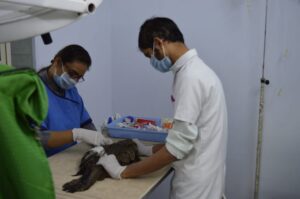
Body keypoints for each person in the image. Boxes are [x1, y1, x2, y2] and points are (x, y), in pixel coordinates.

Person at [97, 17, 228, 199]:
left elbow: (176, 148)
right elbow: (189, 133)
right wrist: (149, 150)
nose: (151, 61)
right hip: (208, 178)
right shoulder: (198, 71)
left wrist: (123, 171)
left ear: (159, 42)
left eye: (149, 55)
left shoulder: (190, 78)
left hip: (195, 187)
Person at [38, 44, 112, 156]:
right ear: (57, 62)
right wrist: (76, 134)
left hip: (66, 157)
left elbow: (86, 124)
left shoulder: (71, 91)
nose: (73, 80)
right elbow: (37, 139)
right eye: (72, 74)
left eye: (78, 77)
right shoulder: (34, 91)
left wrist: (99, 141)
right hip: (44, 162)